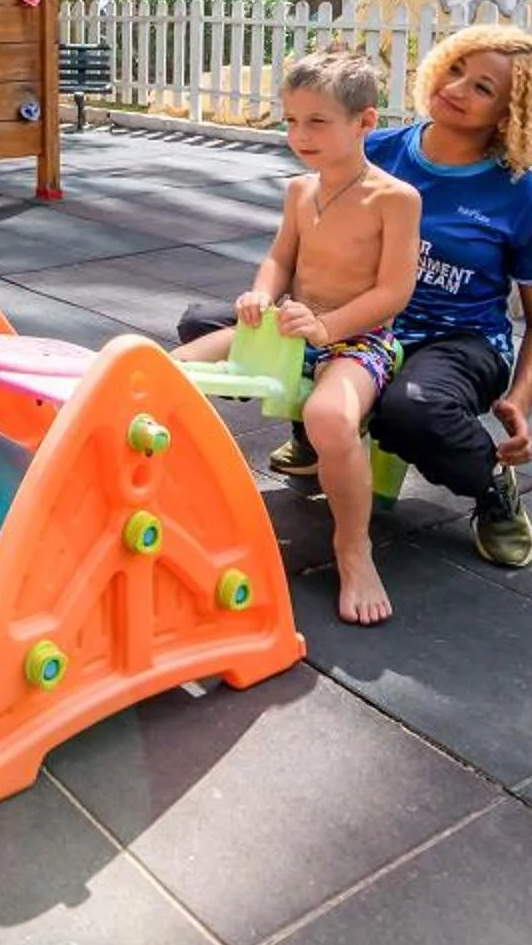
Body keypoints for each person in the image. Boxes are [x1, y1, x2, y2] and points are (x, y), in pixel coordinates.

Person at [180, 24, 532, 570]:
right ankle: (315, 435)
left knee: (408, 409)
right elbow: (303, 245)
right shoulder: (374, 150)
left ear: (510, 111)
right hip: (347, 322)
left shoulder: (523, 197)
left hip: (455, 338)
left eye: (482, 88)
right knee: (204, 325)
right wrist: (269, 301)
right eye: (456, 69)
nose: (456, 88)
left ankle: (490, 487)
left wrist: (520, 401)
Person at [174, 48, 419, 624]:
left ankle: (352, 550)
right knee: (161, 370)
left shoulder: (395, 199)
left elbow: (394, 292)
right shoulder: (299, 191)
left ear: (365, 122)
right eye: (290, 120)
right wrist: (260, 294)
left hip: (359, 342)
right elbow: (279, 261)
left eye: (317, 121)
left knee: (330, 419)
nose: (300, 135)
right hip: (290, 329)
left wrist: (328, 326)